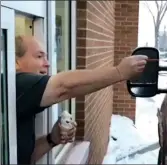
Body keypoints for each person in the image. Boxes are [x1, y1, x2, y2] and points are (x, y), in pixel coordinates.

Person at [15, 35, 148, 164]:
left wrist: (52, 139)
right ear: (15, 62)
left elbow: (25, 158)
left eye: (46, 57)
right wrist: (119, 72)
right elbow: (63, 87)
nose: (47, 64)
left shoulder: (19, 101)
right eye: (39, 56)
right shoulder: (17, 84)